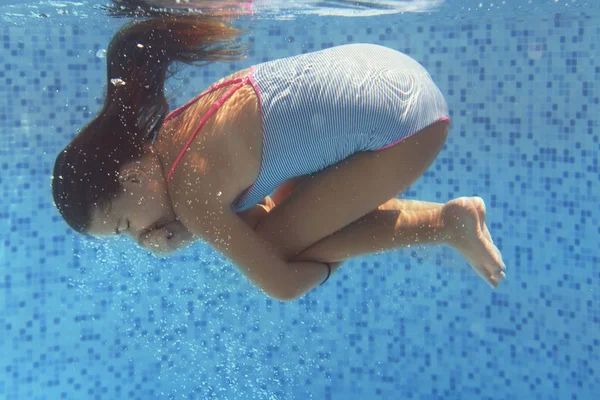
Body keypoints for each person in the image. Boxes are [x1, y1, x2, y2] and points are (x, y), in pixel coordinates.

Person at [52, 15, 506, 301]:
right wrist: (190, 230)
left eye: (126, 226)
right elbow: (252, 212)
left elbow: (283, 285)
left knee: (283, 247)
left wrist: (325, 258)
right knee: (283, 219)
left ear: (133, 180)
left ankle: (446, 225)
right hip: (389, 69)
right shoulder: (173, 134)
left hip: (410, 128)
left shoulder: (190, 192)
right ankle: (452, 220)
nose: (140, 237)